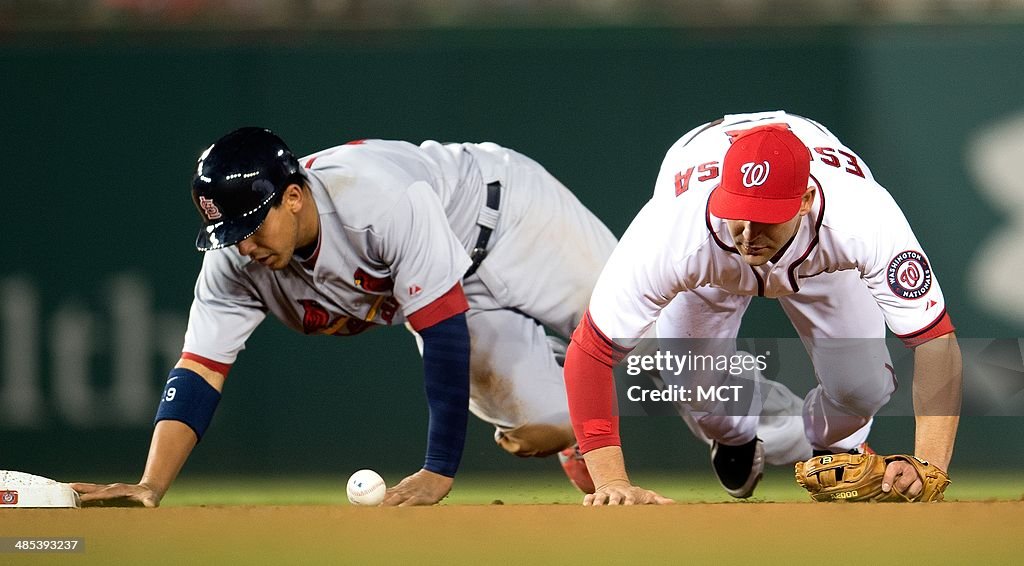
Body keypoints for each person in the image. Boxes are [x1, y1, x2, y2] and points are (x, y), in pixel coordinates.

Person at [70, 127, 618, 506]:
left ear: (292, 197)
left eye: (251, 228)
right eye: (229, 235)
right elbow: (199, 370)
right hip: (454, 294)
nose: (242, 247)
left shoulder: (373, 199)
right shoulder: (235, 265)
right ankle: (569, 410)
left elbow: (442, 329)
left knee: (648, 338)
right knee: (545, 422)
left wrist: (438, 468)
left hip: (511, 219)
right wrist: (150, 485)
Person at [563, 111, 962, 505]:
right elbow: (591, 352)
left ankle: (836, 446)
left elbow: (934, 341)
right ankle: (734, 435)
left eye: (765, 217)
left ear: (805, 200)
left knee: (862, 389)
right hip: (708, 265)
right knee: (695, 390)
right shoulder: (672, 231)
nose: (749, 234)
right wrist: (611, 480)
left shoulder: (862, 219)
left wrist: (930, 466)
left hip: (824, 261)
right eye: (738, 210)